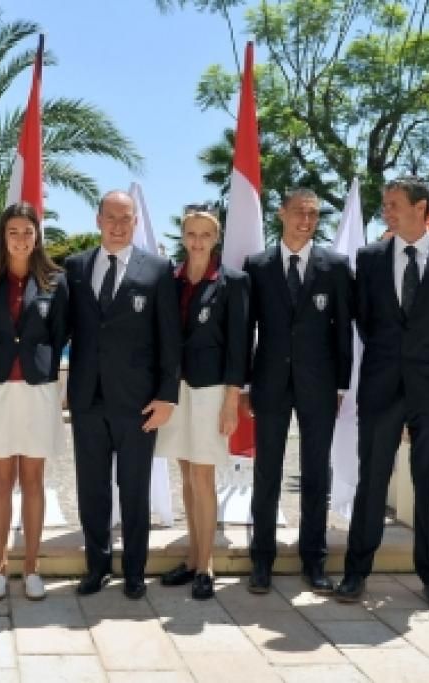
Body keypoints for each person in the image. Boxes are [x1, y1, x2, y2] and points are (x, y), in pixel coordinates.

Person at [336, 177, 429, 612]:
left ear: (422, 208)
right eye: (385, 205)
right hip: (381, 387)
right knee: (372, 481)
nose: (387, 212)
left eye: (395, 205)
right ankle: (356, 573)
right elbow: (365, 320)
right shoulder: (370, 258)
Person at [65, 190, 181, 599]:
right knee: (92, 488)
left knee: (133, 489)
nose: (117, 225)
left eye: (125, 218)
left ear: (135, 223)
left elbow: (170, 338)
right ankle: (97, 567)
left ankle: (134, 570)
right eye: (110, 217)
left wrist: (167, 395)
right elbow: (64, 329)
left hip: (139, 403)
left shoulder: (158, 270)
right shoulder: (75, 267)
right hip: (87, 400)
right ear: (98, 220)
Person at [242, 188, 353, 595]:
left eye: (313, 214)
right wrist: (245, 383)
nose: (306, 221)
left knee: (315, 474)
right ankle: (262, 560)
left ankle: (314, 560)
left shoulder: (336, 266)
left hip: (320, 385)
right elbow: (245, 330)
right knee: (267, 471)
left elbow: (343, 329)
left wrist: (342, 384)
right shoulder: (256, 266)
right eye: (299, 213)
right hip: (269, 383)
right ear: (281, 213)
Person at [0, 202, 69, 601]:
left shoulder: (55, 282)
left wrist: (37, 363)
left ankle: (31, 568)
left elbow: (59, 335)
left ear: (37, 237)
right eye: (14, 232)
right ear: (2, 236)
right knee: (1, 480)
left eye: (28, 232)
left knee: (33, 480)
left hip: (37, 388)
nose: (21, 239)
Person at [156, 205, 248, 600]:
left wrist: (232, 400)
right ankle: (193, 558)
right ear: (183, 236)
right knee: (186, 474)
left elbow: (240, 346)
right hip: (175, 390)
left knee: (203, 476)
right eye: (191, 234)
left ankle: (207, 564)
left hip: (212, 390)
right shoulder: (168, 279)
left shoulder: (234, 282)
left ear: (217, 238)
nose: (197, 242)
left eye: (205, 235)